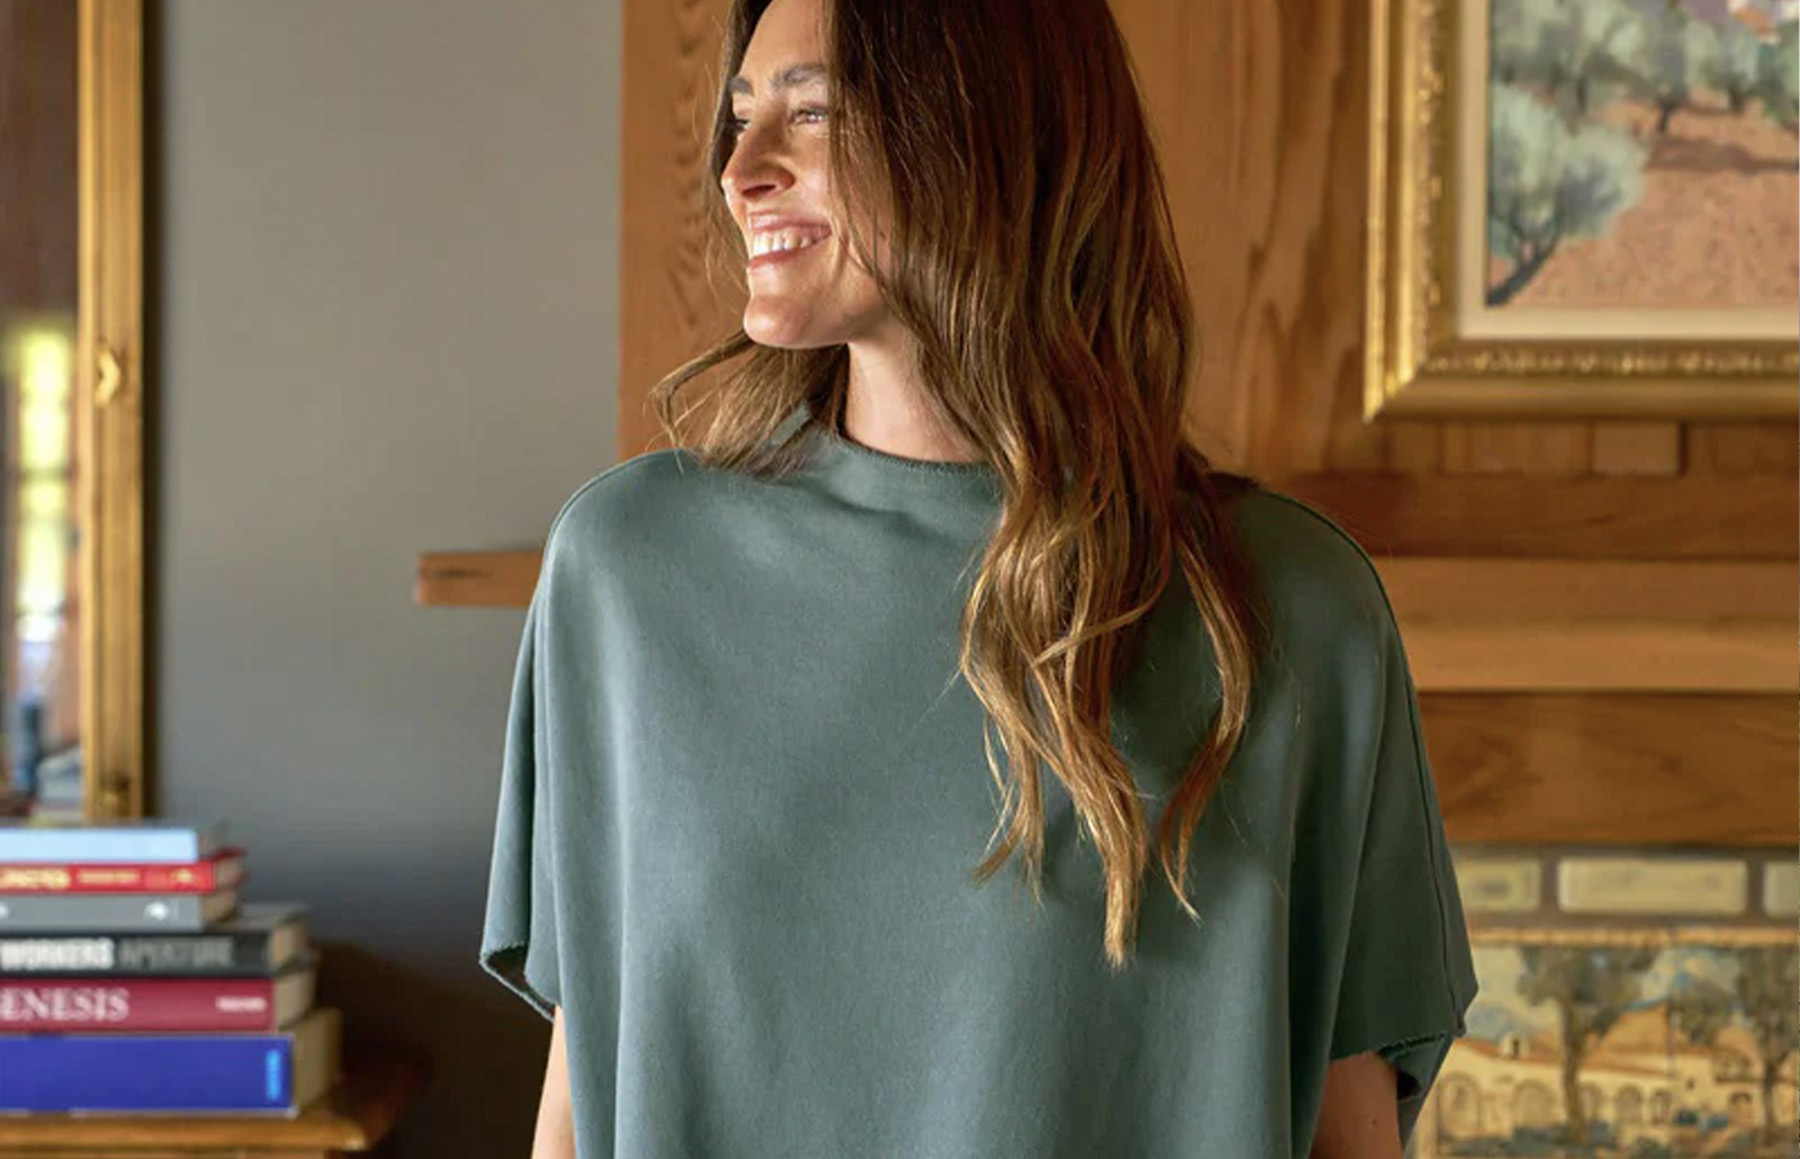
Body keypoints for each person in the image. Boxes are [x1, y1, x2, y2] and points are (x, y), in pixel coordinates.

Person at [479, 0, 1479, 1154]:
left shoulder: (1293, 611)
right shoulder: (628, 577)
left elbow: (1349, 1134)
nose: (742, 170)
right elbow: (579, 1092)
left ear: (986, 132)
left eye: (813, 113)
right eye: (742, 117)